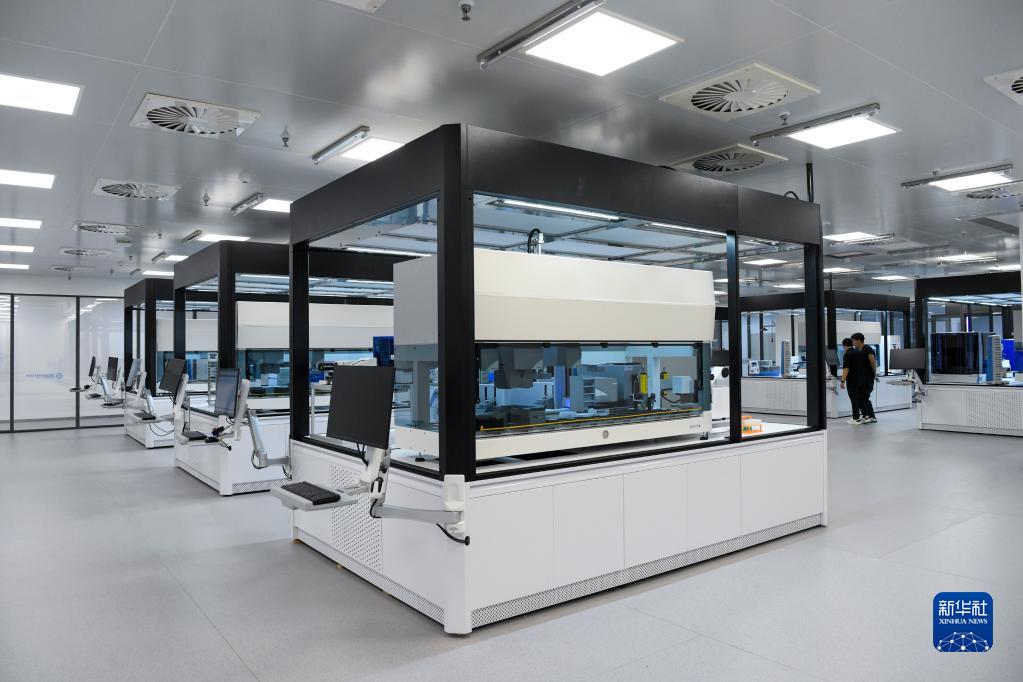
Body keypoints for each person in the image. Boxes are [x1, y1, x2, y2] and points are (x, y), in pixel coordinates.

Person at [851, 332, 877, 424]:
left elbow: (873, 362)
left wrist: (874, 375)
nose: (853, 343)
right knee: (861, 397)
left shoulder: (867, 349)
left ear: (859, 340)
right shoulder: (858, 350)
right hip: (861, 378)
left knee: (865, 397)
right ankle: (866, 415)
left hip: (868, 377)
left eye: (853, 341)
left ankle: (872, 416)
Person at [839, 338, 864, 424]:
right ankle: (864, 416)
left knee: (854, 399)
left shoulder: (847, 354)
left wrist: (842, 381)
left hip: (852, 380)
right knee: (860, 399)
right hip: (861, 379)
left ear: (844, 345)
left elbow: (846, 369)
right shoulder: (859, 352)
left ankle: (856, 418)